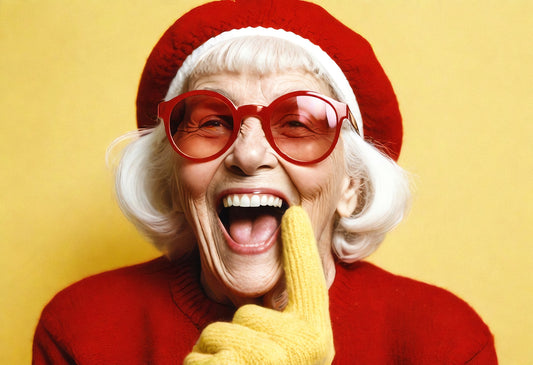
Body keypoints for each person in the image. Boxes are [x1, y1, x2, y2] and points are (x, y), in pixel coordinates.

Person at [32, 0, 497, 363]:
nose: (249, 155)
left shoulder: (444, 342)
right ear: (172, 176)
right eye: (211, 122)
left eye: (297, 123)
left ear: (351, 185)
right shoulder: (81, 328)